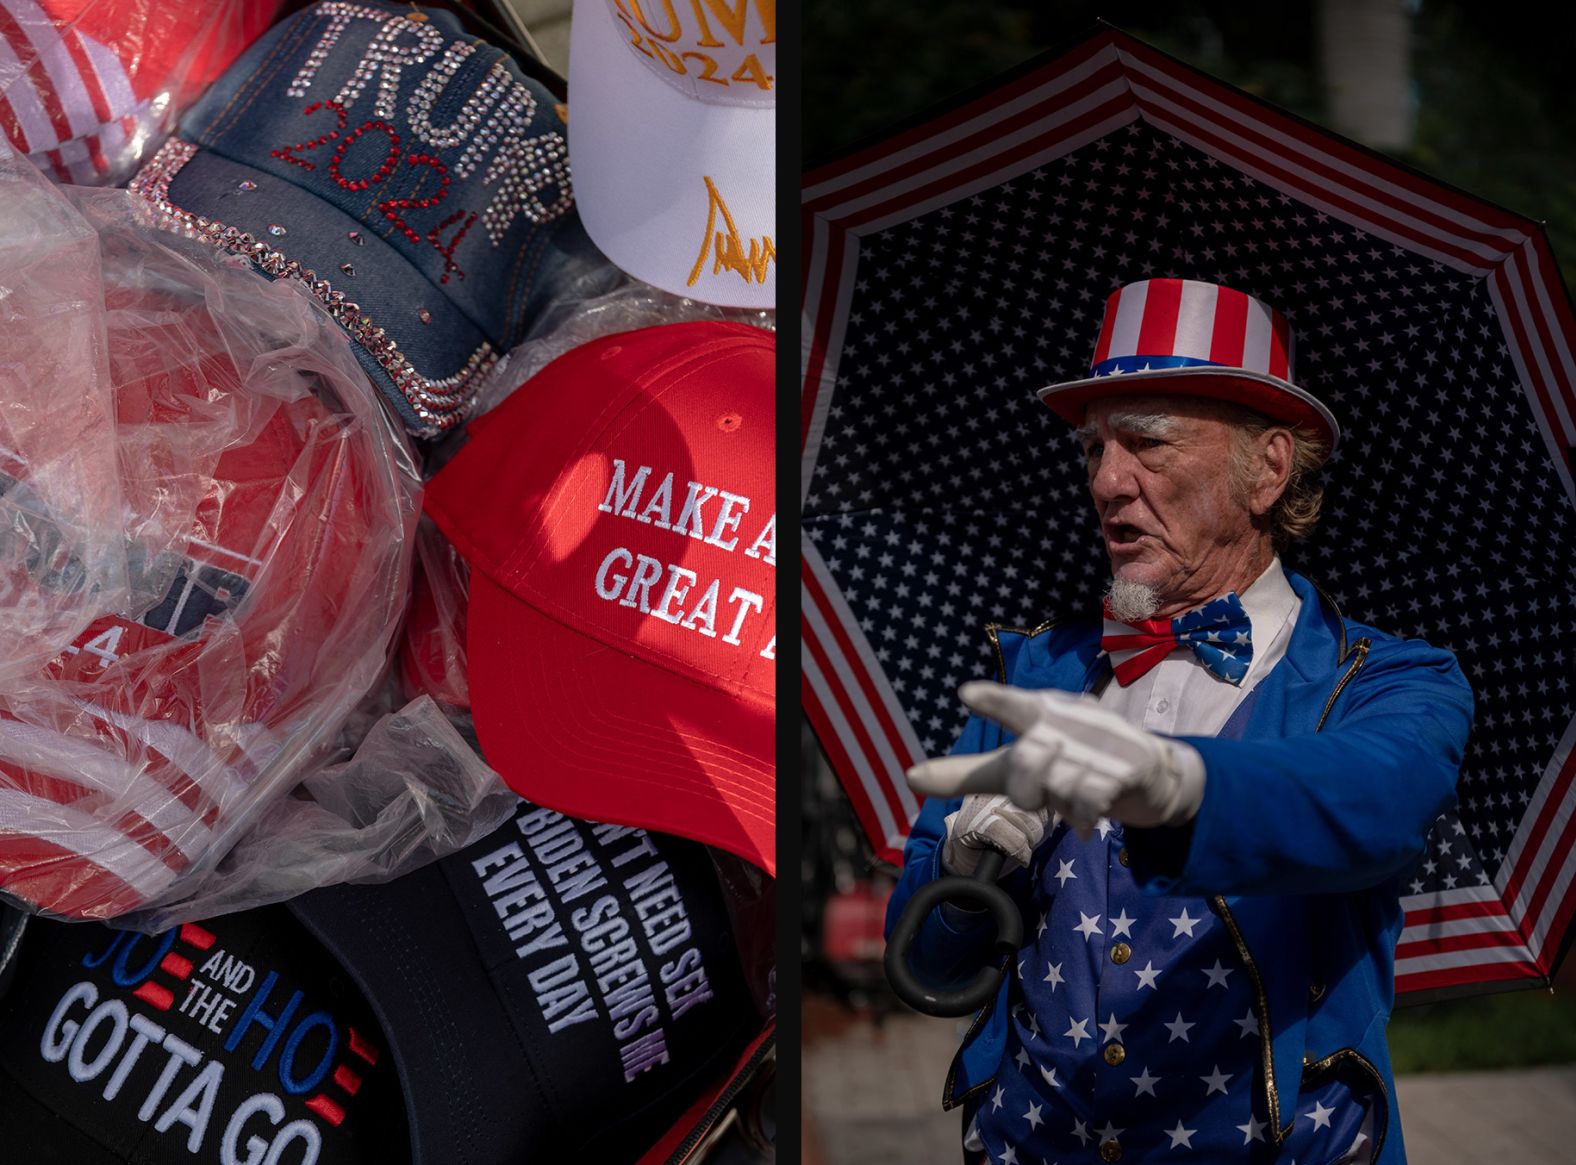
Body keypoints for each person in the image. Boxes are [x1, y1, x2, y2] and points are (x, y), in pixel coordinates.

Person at [887, 278, 1473, 1165]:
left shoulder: (1391, 678)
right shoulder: (1037, 671)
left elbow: (1378, 801)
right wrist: (969, 870)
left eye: (1148, 443)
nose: (1107, 481)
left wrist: (1186, 787)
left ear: (1267, 470)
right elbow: (923, 964)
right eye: (1094, 448)